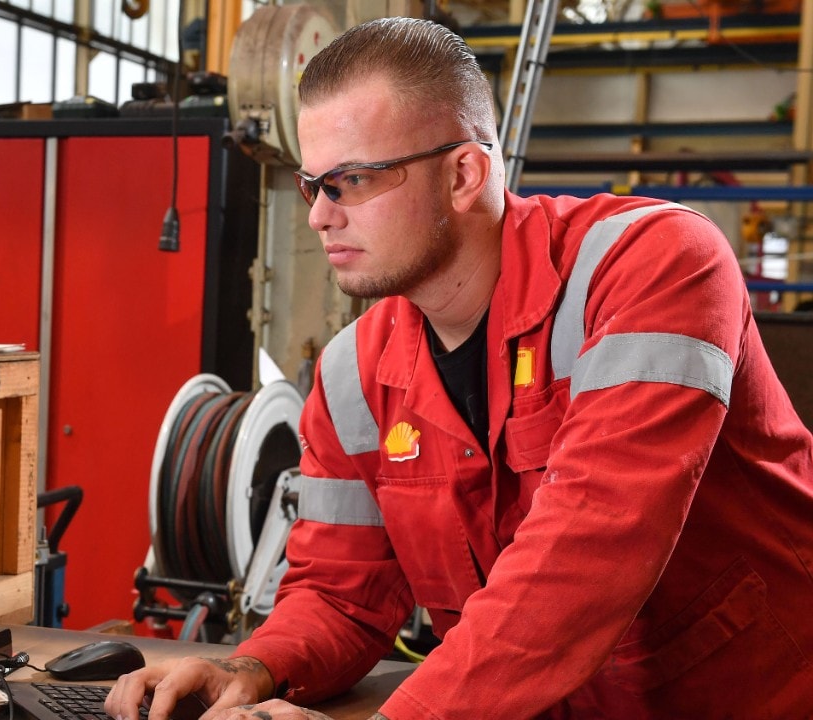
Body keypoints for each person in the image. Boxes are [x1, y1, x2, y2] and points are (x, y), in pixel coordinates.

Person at [105, 15, 813, 720]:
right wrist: (251, 667)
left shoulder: (653, 269)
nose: (320, 216)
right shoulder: (353, 375)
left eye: (348, 180)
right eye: (312, 183)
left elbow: (588, 550)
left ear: (463, 174)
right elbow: (338, 596)